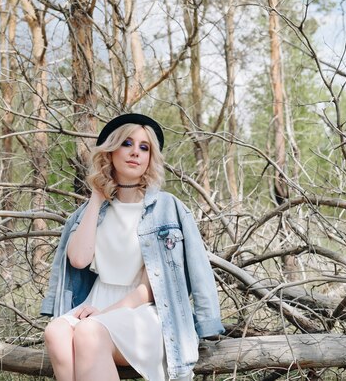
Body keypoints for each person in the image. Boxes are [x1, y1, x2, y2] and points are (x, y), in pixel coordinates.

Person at [40, 113, 224, 381]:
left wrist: (102, 315)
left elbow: (149, 290)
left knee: (89, 332)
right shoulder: (88, 213)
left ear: (150, 158)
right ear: (111, 151)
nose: (135, 152)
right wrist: (96, 196)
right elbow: (79, 260)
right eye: (127, 143)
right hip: (96, 303)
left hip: (146, 313)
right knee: (55, 332)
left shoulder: (167, 209)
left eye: (144, 147)